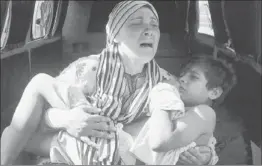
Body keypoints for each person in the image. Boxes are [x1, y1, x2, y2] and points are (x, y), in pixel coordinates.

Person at [1, 1, 214, 165]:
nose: (149, 30)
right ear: (114, 35)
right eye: (136, 23)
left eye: (154, 24)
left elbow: (193, 122)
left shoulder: (165, 83)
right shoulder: (88, 70)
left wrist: (205, 154)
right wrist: (67, 120)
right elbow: (37, 115)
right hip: (72, 150)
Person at [130, 56, 237, 165]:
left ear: (214, 93)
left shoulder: (204, 113)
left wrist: (165, 93)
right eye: (182, 74)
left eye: (193, 77)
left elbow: (159, 142)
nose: (182, 79)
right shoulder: (175, 111)